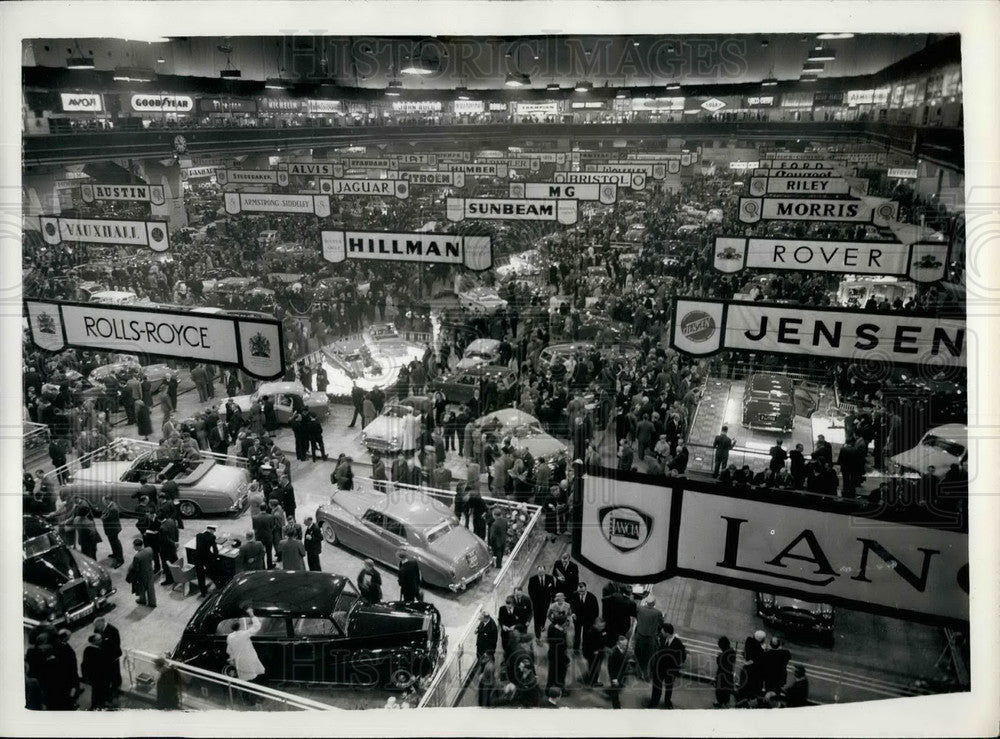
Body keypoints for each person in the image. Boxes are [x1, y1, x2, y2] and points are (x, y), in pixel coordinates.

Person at [226, 607, 266, 694]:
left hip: (239, 662)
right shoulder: (245, 634)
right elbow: (257, 626)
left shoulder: (230, 637)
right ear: (240, 626)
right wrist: (251, 614)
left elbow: (229, 650)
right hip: (249, 659)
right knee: (253, 678)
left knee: (244, 680)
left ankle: (247, 696)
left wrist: (232, 658)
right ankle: (254, 697)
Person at [649, 623, 686, 709]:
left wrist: (676, 665)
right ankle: (654, 701)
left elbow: (683, 657)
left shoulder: (678, 643)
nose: (661, 632)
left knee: (669, 687)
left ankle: (667, 702)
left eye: (662, 631)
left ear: (667, 633)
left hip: (670, 669)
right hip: (660, 667)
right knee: (656, 685)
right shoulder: (662, 638)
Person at [80, 633, 114, 710]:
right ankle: (96, 705)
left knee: (98, 690)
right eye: (99, 639)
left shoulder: (88, 650)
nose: (101, 640)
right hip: (98, 676)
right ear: (94, 641)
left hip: (98, 676)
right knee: (97, 690)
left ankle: (98, 703)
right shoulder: (96, 651)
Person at [634, 597, 664, 681]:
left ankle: (638, 674)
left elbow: (637, 617)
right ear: (654, 603)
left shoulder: (639, 608)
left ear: (646, 602)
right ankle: (646, 676)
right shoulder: (658, 613)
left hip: (640, 636)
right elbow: (661, 624)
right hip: (650, 638)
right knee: (649, 658)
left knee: (638, 655)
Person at [93, 617, 122, 702]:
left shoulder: (113, 630)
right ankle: (110, 690)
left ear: (102, 623)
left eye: (97, 626)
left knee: (115, 674)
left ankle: (116, 689)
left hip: (113, 656)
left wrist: (103, 643)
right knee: (108, 673)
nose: (96, 628)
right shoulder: (98, 629)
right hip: (104, 656)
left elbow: (116, 645)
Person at [126, 536, 156, 607]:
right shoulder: (149, 549)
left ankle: (142, 600)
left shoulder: (137, 556)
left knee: (141, 588)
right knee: (150, 588)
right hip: (150, 572)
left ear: (137, 546)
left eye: (134, 546)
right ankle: (152, 602)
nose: (133, 547)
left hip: (142, 575)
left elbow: (136, 568)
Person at [528, 564, 556, 639]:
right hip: (536, 603)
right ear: (537, 571)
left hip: (546, 601)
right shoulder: (532, 579)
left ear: (545, 571)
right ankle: (538, 635)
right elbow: (530, 591)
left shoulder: (550, 578)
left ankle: (542, 625)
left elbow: (553, 589)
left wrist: (552, 601)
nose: (541, 573)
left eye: (542, 571)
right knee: (536, 618)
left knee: (543, 615)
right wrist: (534, 600)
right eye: (539, 572)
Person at [571, 581, 600, 652]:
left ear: (586, 589)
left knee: (586, 634)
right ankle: (576, 648)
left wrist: (593, 620)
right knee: (577, 633)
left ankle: (584, 648)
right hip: (577, 618)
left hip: (588, 619)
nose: (580, 592)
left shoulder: (592, 597)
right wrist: (573, 613)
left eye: (582, 591)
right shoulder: (575, 594)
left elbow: (596, 610)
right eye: (579, 591)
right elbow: (572, 605)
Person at [193, 524, 220, 597]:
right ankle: (218, 585)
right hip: (207, 558)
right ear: (211, 530)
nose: (214, 533)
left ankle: (203, 592)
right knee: (212, 572)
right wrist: (216, 557)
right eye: (214, 531)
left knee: (200, 575)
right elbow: (215, 549)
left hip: (197, 558)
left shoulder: (198, 535)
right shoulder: (212, 537)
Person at [582, 616, 608, 688]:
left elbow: (604, 639)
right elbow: (587, 645)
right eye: (600, 626)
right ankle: (592, 682)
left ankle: (593, 679)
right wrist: (593, 651)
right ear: (595, 624)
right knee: (593, 668)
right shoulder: (591, 633)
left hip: (600, 652)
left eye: (603, 626)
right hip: (593, 654)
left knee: (598, 667)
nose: (602, 627)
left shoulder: (602, 631)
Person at [545, 617, 570, 691]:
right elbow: (563, 648)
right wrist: (567, 660)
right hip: (560, 657)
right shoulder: (561, 634)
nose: (567, 625)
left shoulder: (551, 626)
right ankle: (560, 689)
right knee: (560, 674)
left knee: (552, 673)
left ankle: (549, 689)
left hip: (552, 654)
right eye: (566, 623)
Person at [607, 634, 631, 709]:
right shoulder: (613, 653)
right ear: (618, 644)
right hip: (615, 676)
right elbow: (610, 668)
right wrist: (614, 679)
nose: (625, 646)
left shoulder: (622, 650)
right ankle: (616, 707)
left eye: (626, 644)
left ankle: (609, 692)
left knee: (616, 688)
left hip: (620, 674)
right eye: (623, 645)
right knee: (615, 692)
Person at [714, 636, 737, 708]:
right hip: (729, 675)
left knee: (719, 690)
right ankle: (725, 702)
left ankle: (720, 702)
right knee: (726, 690)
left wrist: (718, 657)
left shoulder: (722, 656)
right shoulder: (732, 652)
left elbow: (720, 664)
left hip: (721, 675)